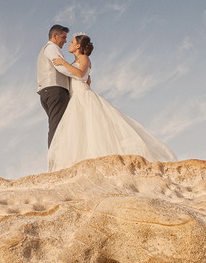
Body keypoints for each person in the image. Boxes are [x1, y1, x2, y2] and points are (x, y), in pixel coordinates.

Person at [47, 33, 175, 171]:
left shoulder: (84, 58)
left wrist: (63, 63)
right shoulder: (76, 61)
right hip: (76, 98)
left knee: (91, 129)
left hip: (83, 97)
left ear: (78, 46)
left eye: (72, 42)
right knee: (81, 131)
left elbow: (80, 74)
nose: (69, 44)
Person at [37, 24, 77, 147]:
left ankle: (57, 157)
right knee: (57, 126)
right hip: (56, 90)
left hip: (46, 91)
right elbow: (61, 68)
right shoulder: (52, 48)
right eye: (63, 38)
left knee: (58, 125)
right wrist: (78, 75)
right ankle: (54, 160)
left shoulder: (44, 50)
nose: (65, 41)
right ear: (55, 35)